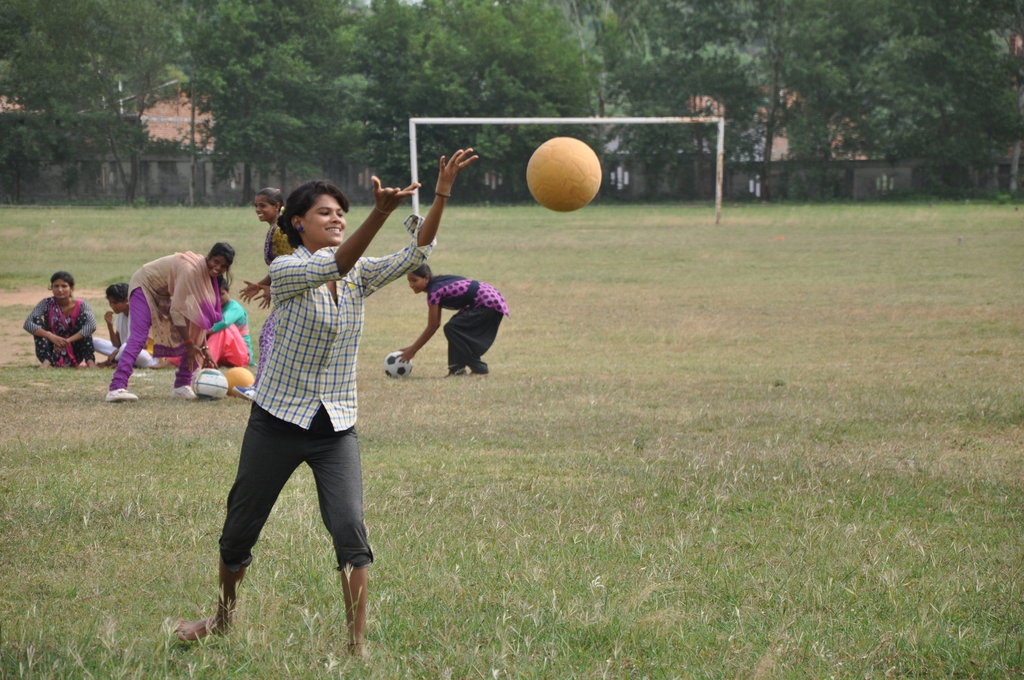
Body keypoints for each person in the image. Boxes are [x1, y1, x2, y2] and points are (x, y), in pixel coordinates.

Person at [174, 148, 479, 658]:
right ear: (298, 222)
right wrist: (378, 212)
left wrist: (442, 191)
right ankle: (222, 620)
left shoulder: (357, 276)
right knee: (238, 532)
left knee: (349, 531)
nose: (337, 216)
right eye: (325, 211)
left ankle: (356, 645)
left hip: (335, 427)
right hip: (275, 422)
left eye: (342, 210)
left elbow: (417, 250)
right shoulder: (291, 269)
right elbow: (336, 262)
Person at [105, 242, 235, 402]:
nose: (218, 268)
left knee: (193, 330)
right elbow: (176, 311)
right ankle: (116, 387)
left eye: (224, 266)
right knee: (139, 337)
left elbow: (197, 321)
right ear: (209, 256)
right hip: (145, 286)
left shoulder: (208, 278)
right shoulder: (190, 271)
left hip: (165, 294)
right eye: (216, 262)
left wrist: (204, 348)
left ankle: (182, 385)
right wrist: (188, 343)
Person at [399, 264, 508, 376]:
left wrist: (413, 350)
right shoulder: (437, 284)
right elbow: (435, 323)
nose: (411, 285)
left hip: (488, 302)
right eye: (409, 281)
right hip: (487, 299)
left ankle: (479, 368)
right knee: (453, 327)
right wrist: (413, 349)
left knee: (452, 328)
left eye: (414, 280)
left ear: (426, 278)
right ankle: (456, 370)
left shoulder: (434, 291)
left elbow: (433, 325)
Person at [237, 187, 292, 398]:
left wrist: (273, 287)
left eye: (263, 206)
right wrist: (263, 284)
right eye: (256, 206)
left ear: (277, 206)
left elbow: (289, 265)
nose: (258, 210)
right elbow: (278, 265)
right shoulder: (278, 227)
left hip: (294, 295)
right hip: (288, 294)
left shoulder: (281, 231)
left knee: (268, 336)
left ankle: (261, 390)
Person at [23, 270, 98, 368]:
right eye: (56, 286)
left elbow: (92, 325)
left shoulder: (81, 305)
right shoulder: (46, 303)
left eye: (64, 286)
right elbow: (28, 323)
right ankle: (46, 361)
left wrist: (66, 341)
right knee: (36, 321)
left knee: (85, 320)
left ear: (71, 288)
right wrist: (50, 336)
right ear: (51, 288)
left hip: (74, 348)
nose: (60, 290)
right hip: (52, 349)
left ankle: (90, 361)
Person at [93, 283, 161, 369]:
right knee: (94, 342)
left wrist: (117, 353)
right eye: (110, 303)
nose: (112, 306)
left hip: (149, 357)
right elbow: (117, 344)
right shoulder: (121, 315)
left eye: (115, 302)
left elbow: (144, 344)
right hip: (124, 351)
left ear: (127, 300)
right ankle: (120, 360)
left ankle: (114, 361)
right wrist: (109, 325)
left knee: (125, 348)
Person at [206, 279, 254, 367]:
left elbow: (223, 323)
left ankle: (205, 360)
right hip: (224, 353)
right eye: (214, 294)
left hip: (241, 354)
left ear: (228, 292)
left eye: (221, 294)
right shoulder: (212, 308)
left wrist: (202, 332)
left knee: (224, 327)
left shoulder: (235, 308)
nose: (218, 298)